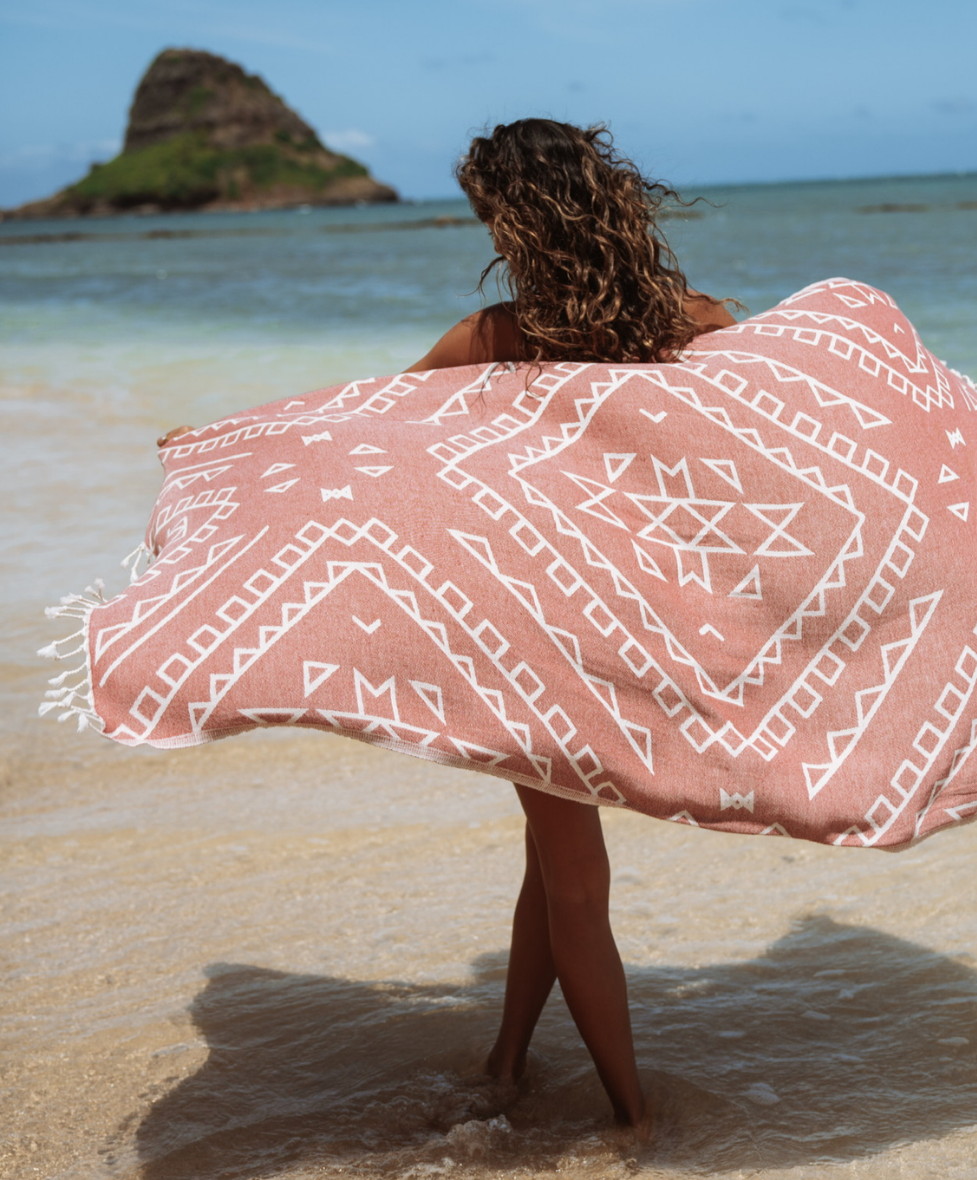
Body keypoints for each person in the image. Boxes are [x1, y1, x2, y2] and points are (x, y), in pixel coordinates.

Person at [159, 118, 737, 1133]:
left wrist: (222, 449)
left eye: (488, 216)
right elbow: (773, 436)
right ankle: (508, 1060)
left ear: (517, 222)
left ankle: (633, 1120)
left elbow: (356, 432)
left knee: (573, 881)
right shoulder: (699, 320)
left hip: (538, 635)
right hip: (648, 620)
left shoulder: (492, 341)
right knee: (552, 864)